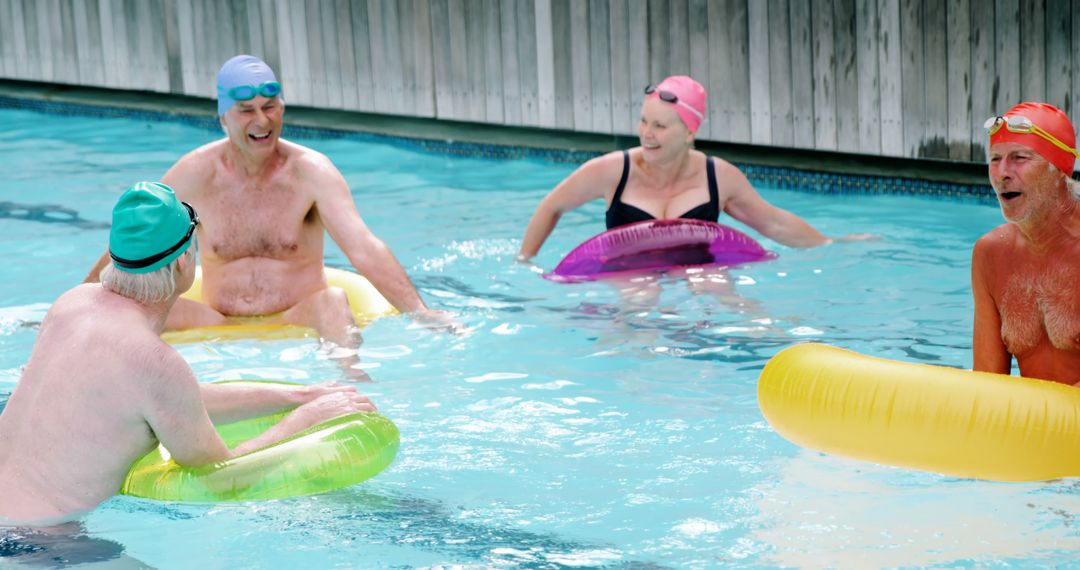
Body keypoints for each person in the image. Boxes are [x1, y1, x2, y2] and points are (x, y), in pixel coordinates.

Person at [0, 182, 375, 526]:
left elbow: (173, 401)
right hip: (40, 542)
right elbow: (220, 472)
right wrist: (307, 419)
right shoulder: (152, 361)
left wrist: (299, 396)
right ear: (183, 261)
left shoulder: (72, 304)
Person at [84, 55, 457, 346]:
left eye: (271, 106)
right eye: (246, 110)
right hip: (216, 320)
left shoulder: (310, 172)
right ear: (223, 119)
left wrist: (420, 311)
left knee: (334, 302)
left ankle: (358, 390)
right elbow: (134, 242)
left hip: (299, 316)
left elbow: (363, 247)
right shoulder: (195, 174)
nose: (262, 120)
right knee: (134, 314)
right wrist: (82, 302)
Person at [519, 75, 861, 261]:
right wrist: (525, 262)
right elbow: (552, 206)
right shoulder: (614, 170)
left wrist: (830, 243)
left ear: (689, 133)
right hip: (629, 269)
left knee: (717, 292)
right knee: (640, 298)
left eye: (660, 127)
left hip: (697, 267)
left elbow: (772, 222)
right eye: (643, 121)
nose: (646, 134)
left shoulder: (718, 176)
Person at [971, 101, 1080, 386]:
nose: (1002, 173)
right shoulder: (991, 254)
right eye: (995, 159)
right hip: (1033, 428)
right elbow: (987, 382)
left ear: (1059, 169)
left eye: (1019, 158)